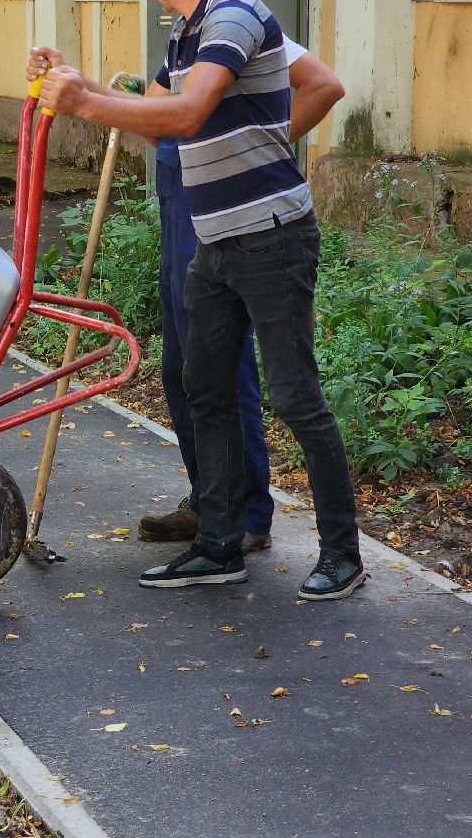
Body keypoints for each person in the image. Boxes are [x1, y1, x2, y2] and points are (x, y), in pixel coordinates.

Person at [27, 0, 365, 601]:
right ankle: (218, 543)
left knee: (294, 395)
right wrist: (72, 80)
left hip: (271, 240)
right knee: (202, 387)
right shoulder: (186, 28)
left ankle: (343, 552)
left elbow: (182, 116)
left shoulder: (234, 16)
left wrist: (85, 103)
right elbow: (152, 110)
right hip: (215, 243)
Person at [138, 33, 345, 553]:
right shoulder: (183, 38)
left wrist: (258, 150)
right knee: (187, 370)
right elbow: (157, 111)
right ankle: (212, 505)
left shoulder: (236, 23)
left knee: (232, 374)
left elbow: (323, 84)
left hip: (229, 215)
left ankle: (248, 514)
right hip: (181, 198)